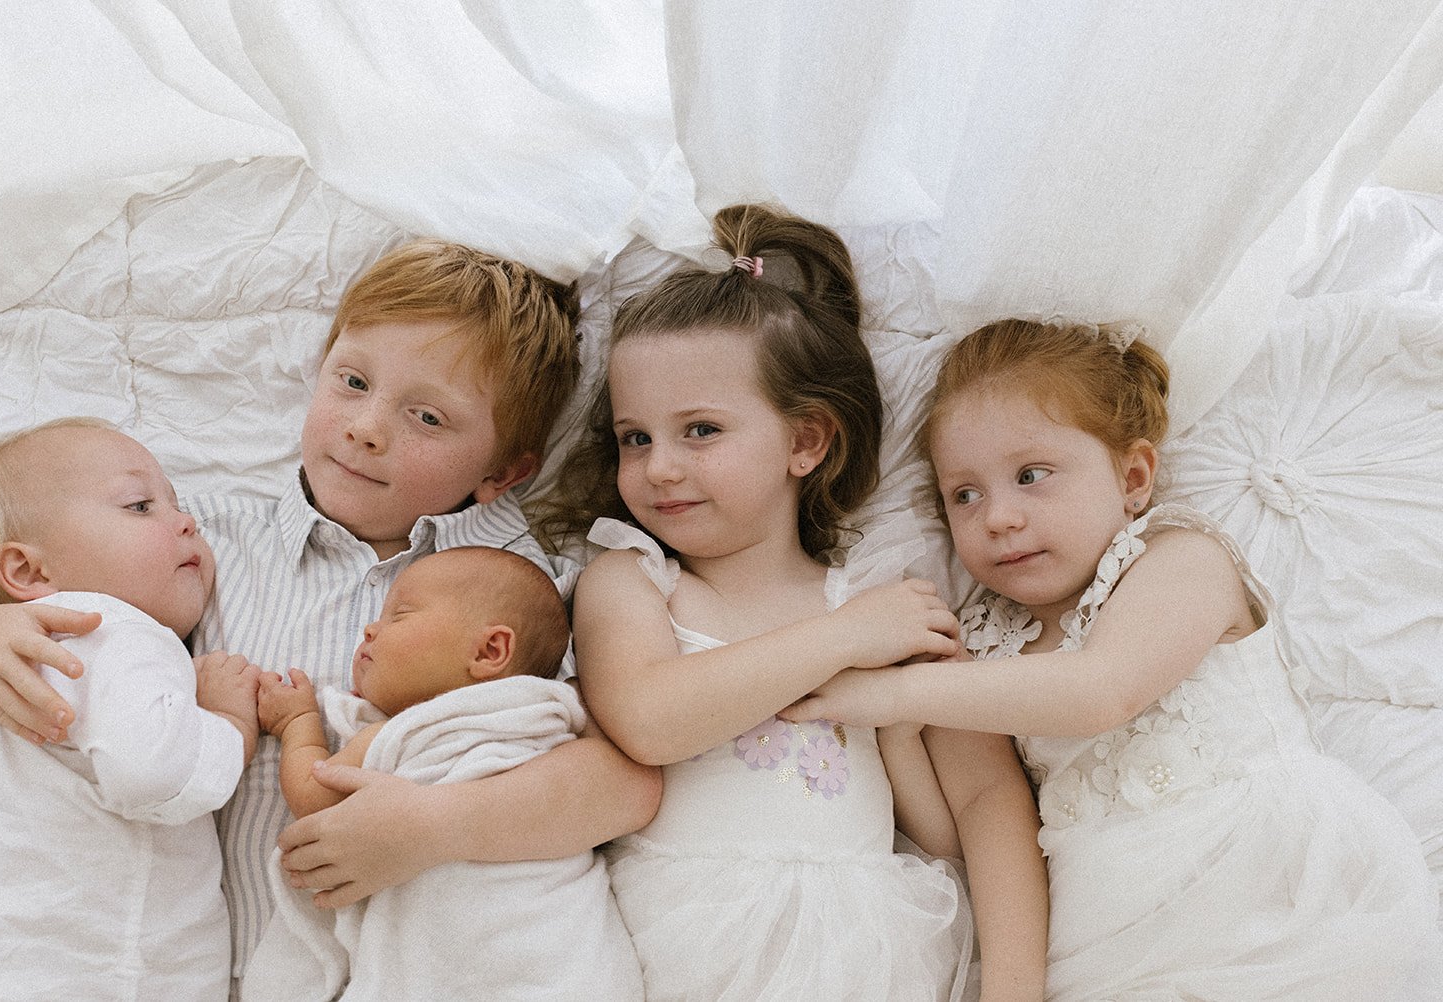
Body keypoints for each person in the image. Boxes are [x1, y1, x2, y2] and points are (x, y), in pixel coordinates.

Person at [0, 242, 662, 983]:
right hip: (221, 969)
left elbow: (627, 786)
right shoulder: (197, 543)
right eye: (351, 382)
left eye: (428, 418)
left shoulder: (546, 588)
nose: (367, 427)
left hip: (448, 961)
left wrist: (438, 827)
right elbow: (62, 666)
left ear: (501, 473)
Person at [784, 318, 1443, 999]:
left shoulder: (1179, 556)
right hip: (1107, 924)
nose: (998, 516)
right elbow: (968, 820)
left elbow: (1105, 690)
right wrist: (895, 733)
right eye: (965, 494)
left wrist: (894, 697)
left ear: (1133, 477)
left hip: (1271, 883)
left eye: (1031, 475)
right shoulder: (972, 643)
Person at [542, 205, 1048, 1001]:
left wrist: (901, 731)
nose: (659, 467)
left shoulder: (878, 594)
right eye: (635, 437)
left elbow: (965, 814)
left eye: (700, 430)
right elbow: (648, 720)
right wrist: (842, 640)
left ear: (806, 442)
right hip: (685, 940)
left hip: (864, 944)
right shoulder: (635, 578)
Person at [0, 418, 257, 999]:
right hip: (39, 967)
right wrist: (229, 725)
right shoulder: (111, 628)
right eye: (140, 506)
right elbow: (152, 774)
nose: (187, 521)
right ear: (30, 571)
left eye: (177, 503)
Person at [241, 546, 642, 1000]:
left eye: (400, 616)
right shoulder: (551, 715)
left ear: (491, 650)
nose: (370, 629)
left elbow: (316, 799)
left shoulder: (405, 731)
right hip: (560, 961)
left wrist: (298, 725)